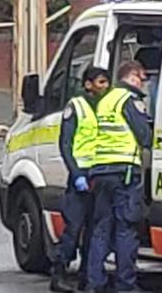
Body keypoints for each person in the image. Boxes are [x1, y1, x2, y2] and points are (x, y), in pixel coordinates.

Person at [86, 61, 153, 293]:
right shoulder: (130, 100)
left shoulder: (106, 99)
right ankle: (126, 286)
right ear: (132, 76)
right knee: (126, 228)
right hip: (124, 172)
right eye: (141, 78)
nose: (143, 83)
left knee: (101, 229)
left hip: (101, 170)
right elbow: (144, 136)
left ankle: (95, 283)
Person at [50, 67, 110, 293]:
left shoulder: (108, 107)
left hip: (100, 176)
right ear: (88, 85)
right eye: (101, 82)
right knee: (73, 229)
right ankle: (59, 273)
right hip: (81, 177)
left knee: (95, 231)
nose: (105, 87)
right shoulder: (75, 106)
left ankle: (88, 276)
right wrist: (76, 175)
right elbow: (66, 143)